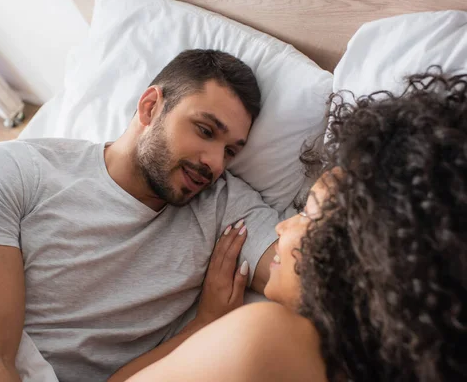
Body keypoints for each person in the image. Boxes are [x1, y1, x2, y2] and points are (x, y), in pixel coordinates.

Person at [0, 49, 282, 381]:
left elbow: (303, 279)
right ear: (150, 107)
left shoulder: (223, 205)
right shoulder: (17, 172)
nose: (216, 163)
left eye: (231, 151)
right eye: (205, 131)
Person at [121, 70, 467, 381]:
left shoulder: (271, 340)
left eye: (306, 213)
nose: (281, 227)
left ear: (365, 255)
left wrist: (204, 323)